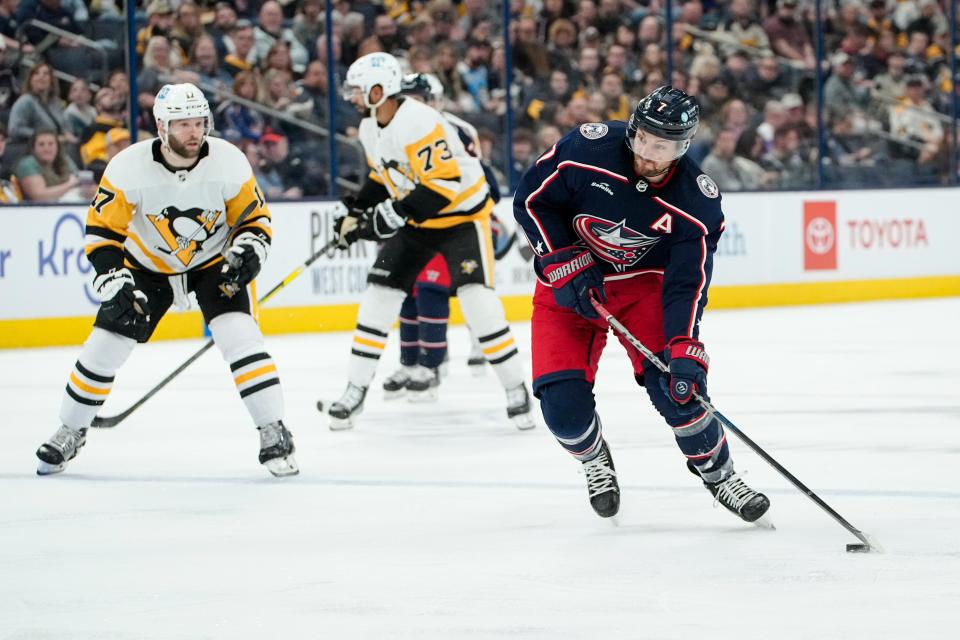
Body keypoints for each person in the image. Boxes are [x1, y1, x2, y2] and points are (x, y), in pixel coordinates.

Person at [511, 85, 771, 523]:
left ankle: (720, 475)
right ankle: (594, 458)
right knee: (562, 409)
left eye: (665, 146)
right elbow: (531, 201)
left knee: (681, 392)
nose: (649, 155)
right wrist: (562, 258)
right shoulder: (584, 149)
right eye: (645, 139)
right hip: (569, 282)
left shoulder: (696, 202)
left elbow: (687, 283)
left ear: (684, 147)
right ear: (632, 130)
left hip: (644, 287)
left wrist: (684, 344)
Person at [35, 83, 298, 478]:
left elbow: (253, 220)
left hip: (212, 265)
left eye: (198, 122)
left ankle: (273, 429)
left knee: (240, 337)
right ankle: (71, 429)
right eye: (183, 124)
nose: (194, 132)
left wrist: (249, 250)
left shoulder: (228, 160)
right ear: (161, 126)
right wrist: (113, 278)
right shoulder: (128, 166)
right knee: (104, 347)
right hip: (147, 268)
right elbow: (103, 232)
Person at [328, 52, 534, 431]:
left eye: (358, 90)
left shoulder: (419, 121)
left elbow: (442, 185)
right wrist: (355, 208)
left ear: (380, 89)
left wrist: (384, 217)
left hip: (461, 219)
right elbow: (383, 176)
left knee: (478, 302)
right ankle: (354, 389)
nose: (352, 97)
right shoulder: (370, 126)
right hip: (420, 220)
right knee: (378, 297)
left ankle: (515, 388)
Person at [380, 72, 513, 399]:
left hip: (451, 225)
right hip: (414, 225)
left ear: (435, 101)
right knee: (407, 292)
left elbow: (482, 185)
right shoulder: (391, 130)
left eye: (418, 99)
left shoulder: (454, 130)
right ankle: (412, 363)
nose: (410, 106)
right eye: (405, 98)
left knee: (434, 290)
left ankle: (433, 363)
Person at [14, 129, 80, 201]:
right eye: (41, 144)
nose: (46, 148)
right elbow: (39, 196)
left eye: (51, 144)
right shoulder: (27, 164)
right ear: (33, 148)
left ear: (57, 147)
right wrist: (70, 184)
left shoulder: (65, 159)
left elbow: (81, 182)